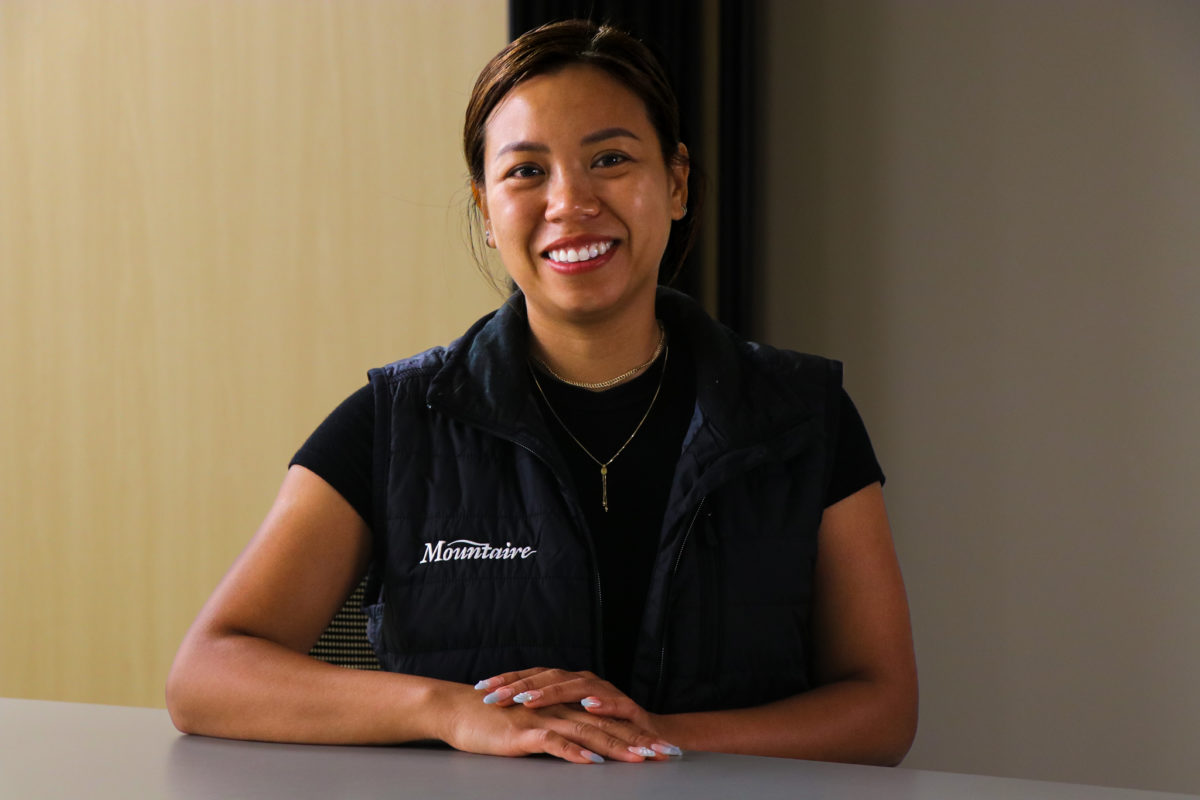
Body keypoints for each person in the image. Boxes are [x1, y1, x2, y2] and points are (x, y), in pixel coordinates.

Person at [166, 19, 917, 766]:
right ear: (486, 211)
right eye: (526, 171)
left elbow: (881, 708)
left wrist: (658, 735)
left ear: (676, 182)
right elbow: (206, 675)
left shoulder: (801, 414)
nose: (569, 201)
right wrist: (449, 709)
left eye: (610, 159)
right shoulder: (395, 421)